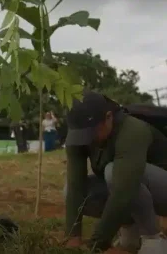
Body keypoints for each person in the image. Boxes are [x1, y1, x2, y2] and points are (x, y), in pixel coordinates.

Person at [63, 90, 167, 253]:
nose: (86, 140)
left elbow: (123, 191)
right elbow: (76, 186)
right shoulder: (78, 136)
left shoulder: (132, 130)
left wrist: (97, 244)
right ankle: (130, 235)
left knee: (114, 173)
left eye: (91, 132)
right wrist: (73, 237)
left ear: (109, 117)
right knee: (69, 189)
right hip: (129, 188)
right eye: (80, 135)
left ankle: (153, 240)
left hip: (161, 191)